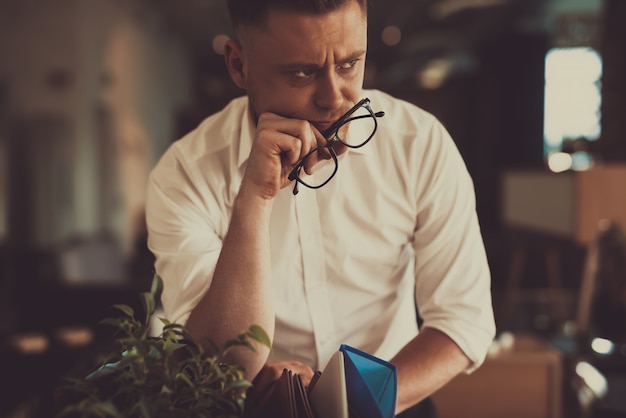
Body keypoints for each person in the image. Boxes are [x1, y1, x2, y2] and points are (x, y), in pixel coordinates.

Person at [145, 0, 496, 416]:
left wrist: (353, 404)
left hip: (392, 404)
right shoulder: (185, 173)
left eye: (349, 65)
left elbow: (463, 324)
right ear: (239, 65)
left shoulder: (418, 144)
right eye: (302, 72)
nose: (334, 99)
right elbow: (222, 364)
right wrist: (254, 199)